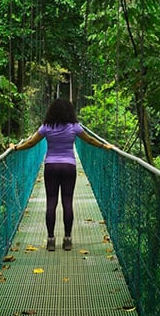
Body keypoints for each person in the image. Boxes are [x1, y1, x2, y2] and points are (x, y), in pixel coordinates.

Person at [10, 98, 112, 252]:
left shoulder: (46, 127)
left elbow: (31, 142)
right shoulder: (75, 127)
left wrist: (16, 148)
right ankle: (67, 240)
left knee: (51, 203)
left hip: (51, 166)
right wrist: (104, 146)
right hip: (69, 167)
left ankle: (51, 240)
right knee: (67, 202)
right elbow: (90, 139)